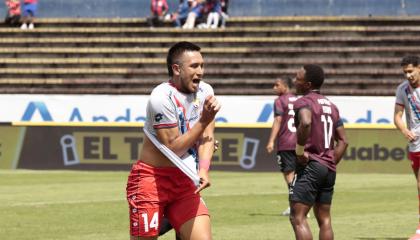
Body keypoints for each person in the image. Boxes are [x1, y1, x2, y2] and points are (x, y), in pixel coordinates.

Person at [126, 41, 221, 240]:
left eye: (202, 65)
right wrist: (203, 121)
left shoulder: (206, 91)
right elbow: (173, 148)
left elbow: (207, 137)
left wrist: (203, 169)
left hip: (185, 182)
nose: (200, 71)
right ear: (176, 69)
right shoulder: (161, 97)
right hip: (151, 180)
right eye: (194, 66)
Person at [290, 64, 348, 240]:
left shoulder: (304, 102)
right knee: (324, 219)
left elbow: (306, 122)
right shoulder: (331, 105)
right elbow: (344, 141)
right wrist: (328, 160)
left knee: (297, 217)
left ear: (307, 84)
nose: (294, 80)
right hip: (328, 167)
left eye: (298, 77)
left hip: (311, 165)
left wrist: (300, 151)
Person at [394, 55, 420, 240]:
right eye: (405, 73)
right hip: (415, 143)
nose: (408, 75)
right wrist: (404, 129)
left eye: (411, 71)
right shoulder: (402, 89)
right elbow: (397, 116)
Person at [266, 77, 298, 216]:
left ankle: (295, 206)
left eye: (277, 85)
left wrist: (271, 141)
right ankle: (302, 206)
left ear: (285, 86)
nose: (274, 88)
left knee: (289, 175)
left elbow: (278, 120)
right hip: (300, 143)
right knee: (299, 175)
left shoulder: (280, 101)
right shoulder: (299, 100)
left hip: (286, 143)